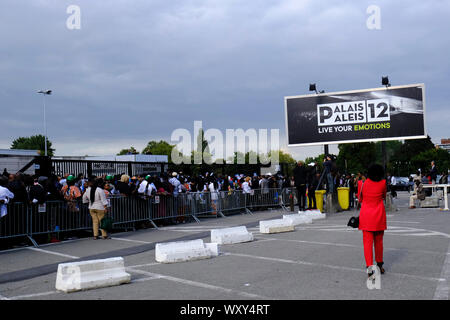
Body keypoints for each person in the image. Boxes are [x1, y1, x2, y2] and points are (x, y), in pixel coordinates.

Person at [358, 164, 387, 277]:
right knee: (379, 242)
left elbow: (360, 199)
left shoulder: (362, 183)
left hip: (366, 216)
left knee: (367, 243)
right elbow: (384, 196)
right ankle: (380, 265)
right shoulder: (383, 183)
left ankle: (370, 268)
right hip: (379, 215)